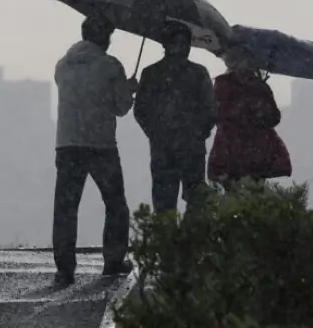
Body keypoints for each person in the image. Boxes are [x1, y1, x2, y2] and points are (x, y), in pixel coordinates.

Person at [52, 15, 138, 288]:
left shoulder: (62, 65)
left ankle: (64, 269)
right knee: (115, 204)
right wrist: (129, 89)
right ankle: (113, 261)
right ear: (105, 36)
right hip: (100, 145)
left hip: (67, 143)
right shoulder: (110, 65)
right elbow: (121, 107)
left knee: (66, 207)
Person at [134, 22, 217, 215]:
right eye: (179, 42)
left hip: (172, 148)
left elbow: (141, 111)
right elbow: (211, 110)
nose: (183, 48)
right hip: (185, 147)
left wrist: (156, 134)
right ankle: (189, 242)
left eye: (185, 43)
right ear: (167, 44)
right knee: (192, 201)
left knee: (170, 204)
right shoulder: (196, 73)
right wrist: (197, 133)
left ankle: (170, 242)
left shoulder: (152, 73)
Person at [207, 45, 292, 189]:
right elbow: (218, 114)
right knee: (238, 193)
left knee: (252, 192)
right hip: (234, 149)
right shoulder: (224, 86)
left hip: (252, 151)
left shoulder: (259, 87)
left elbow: (274, 118)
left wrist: (260, 106)